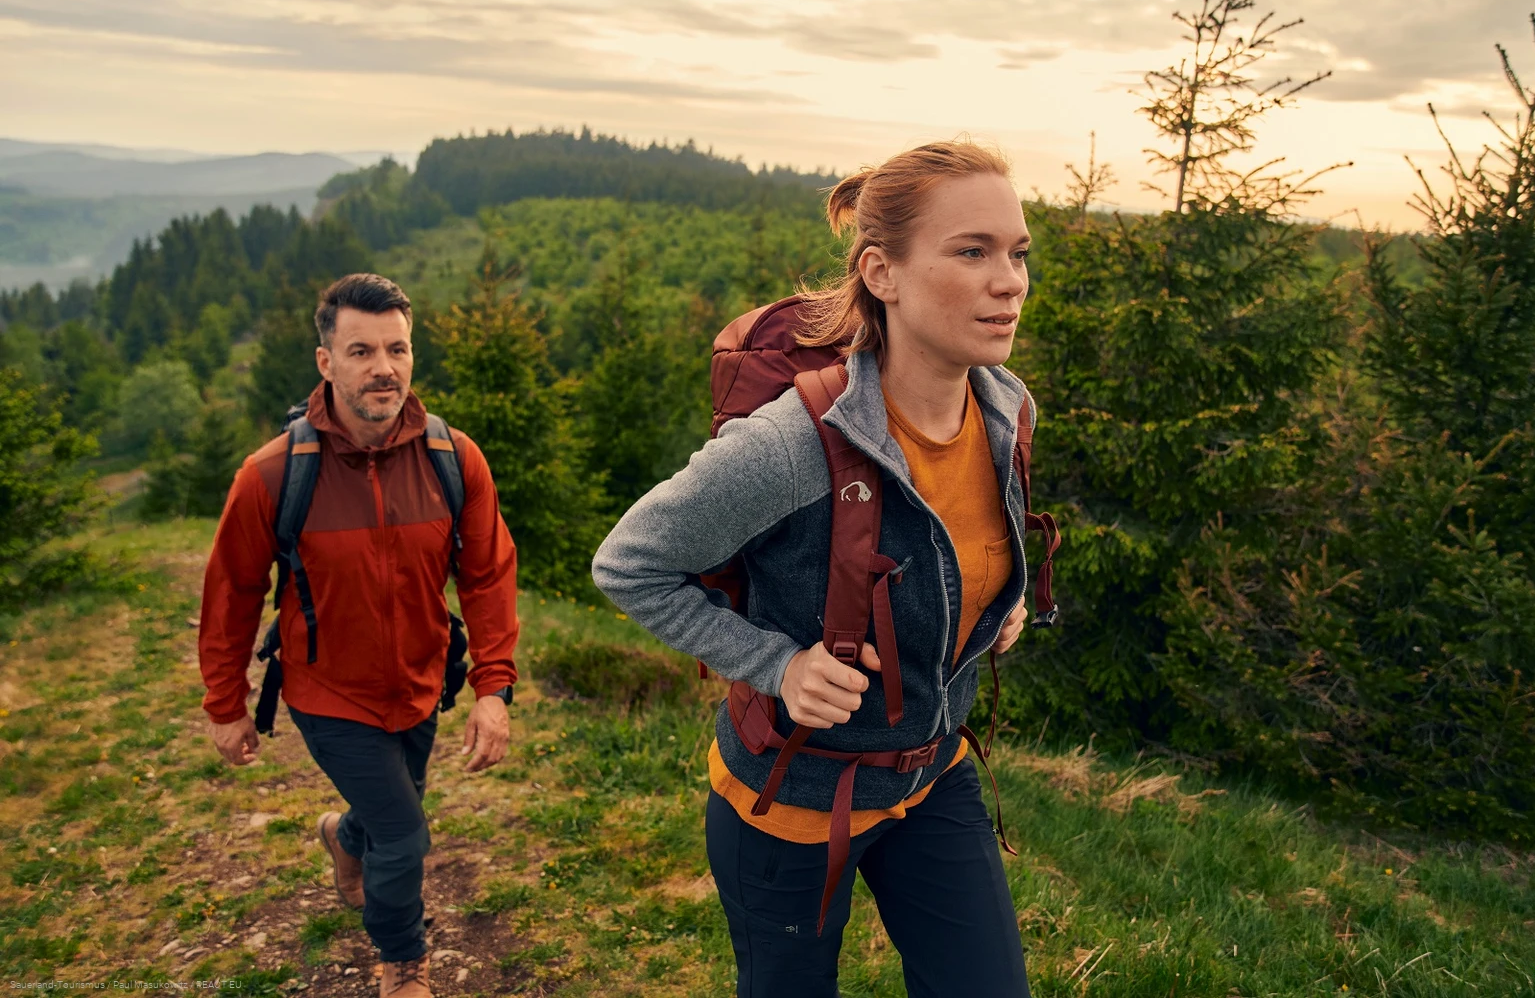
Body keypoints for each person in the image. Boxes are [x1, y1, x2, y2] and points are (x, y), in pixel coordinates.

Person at [592, 141, 1038, 996]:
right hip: (791, 801)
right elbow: (629, 564)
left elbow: (960, 550)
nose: (1009, 279)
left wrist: (994, 606)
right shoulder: (796, 443)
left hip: (930, 773)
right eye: (972, 251)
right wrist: (778, 664)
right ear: (883, 272)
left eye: (1017, 252)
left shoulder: (1006, 406)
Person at [198, 273, 520, 998]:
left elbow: (489, 574)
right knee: (405, 836)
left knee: (385, 815)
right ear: (326, 362)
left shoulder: (453, 459)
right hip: (328, 691)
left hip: (420, 682)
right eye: (362, 349)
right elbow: (232, 594)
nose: (384, 366)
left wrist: (492, 688)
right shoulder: (274, 474)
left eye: (397, 348)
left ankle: (343, 838)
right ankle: (402, 961)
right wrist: (226, 703)